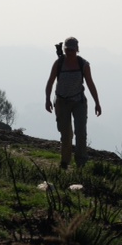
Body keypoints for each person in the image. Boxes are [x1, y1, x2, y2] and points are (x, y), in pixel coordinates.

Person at [45, 36, 102, 169]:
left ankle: (81, 163)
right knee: (66, 134)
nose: (69, 52)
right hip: (61, 102)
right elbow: (50, 81)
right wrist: (47, 99)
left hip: (79, 102)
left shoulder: (84, 65)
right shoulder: (58, 63)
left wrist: (97, 102)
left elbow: (90, 84)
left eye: (72, 50)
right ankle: (65, 162)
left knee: (81, 133)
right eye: (67, 50)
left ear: (77, 50)